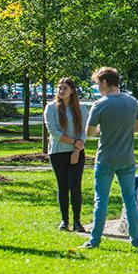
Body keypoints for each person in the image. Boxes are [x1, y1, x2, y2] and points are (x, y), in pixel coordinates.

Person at [82, 67, 138, 249]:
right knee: (129, 200)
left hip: (106, 159)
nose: (97, 88)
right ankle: (135, 240)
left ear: (104, 82)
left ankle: (94, 241)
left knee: (101, 200)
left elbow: (90, 132)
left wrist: (103, 129)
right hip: (127, 158)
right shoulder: (133, 102)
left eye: (97, 84)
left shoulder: (100, 104)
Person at [44, 77, 88, 232]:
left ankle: (77, 222)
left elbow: (84, 131)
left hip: (77, 152)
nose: (61, 91)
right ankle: (64, 221)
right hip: (58, 152)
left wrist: (77, 150)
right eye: (59, 88)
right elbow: (54, 132)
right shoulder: (50, 107)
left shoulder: (81, 108)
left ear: (72, 91)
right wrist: (74, 143)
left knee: (75, 186)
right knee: (63, 186)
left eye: (65, 88)